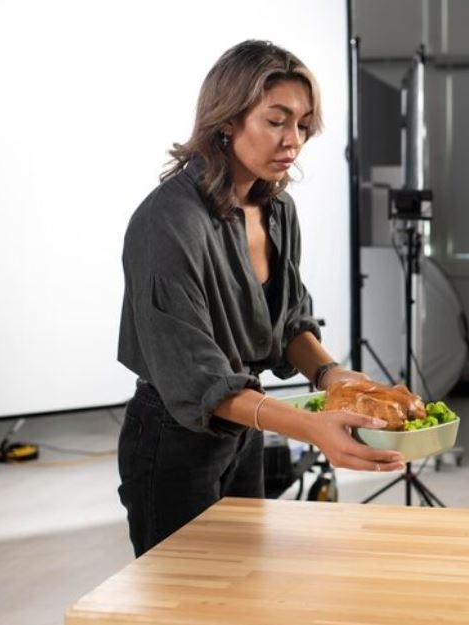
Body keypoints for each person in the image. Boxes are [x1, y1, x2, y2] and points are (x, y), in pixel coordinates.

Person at [117, 40, 407, 557]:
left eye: (302, 123)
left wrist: (332, 376)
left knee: (242, 587)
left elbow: (291, 323)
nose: (293, 139)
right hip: (172, 437)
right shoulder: (168, 223)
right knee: (182, 601)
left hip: (245, 430)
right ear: (226, 120)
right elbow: (199, 382)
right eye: (277, 120)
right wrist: (316, 429)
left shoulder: (278, 211)